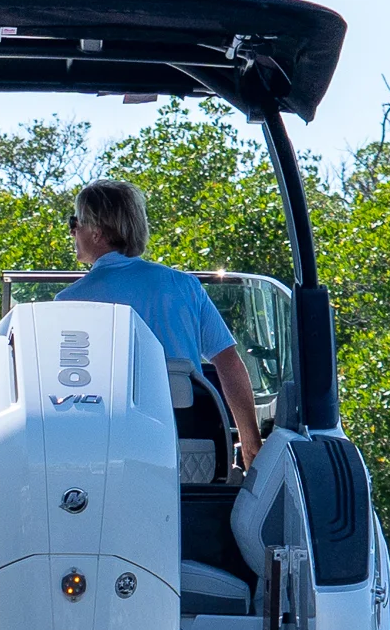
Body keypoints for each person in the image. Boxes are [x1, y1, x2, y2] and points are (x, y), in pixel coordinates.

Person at [58, 179, 264, 471]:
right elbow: (228, 363)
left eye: (74, 222)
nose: (72, 231)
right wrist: (250, 443)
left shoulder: (68, 303)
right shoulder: (185, 286)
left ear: (96, 231)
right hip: (190, 448)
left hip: (107, 457)